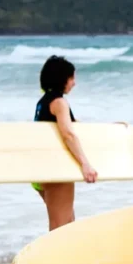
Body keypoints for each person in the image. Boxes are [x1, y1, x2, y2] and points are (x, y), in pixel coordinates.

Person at [34, 55, 96, 231]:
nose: (74, 83)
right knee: (60, 228)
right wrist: (85, 164)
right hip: (55, 170)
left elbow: (73, 126)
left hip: (41, 169)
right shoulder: (59, 103)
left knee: (67, 224)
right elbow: (68, 134)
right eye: (71, 78)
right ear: (62, 79)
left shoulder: (43, 102)